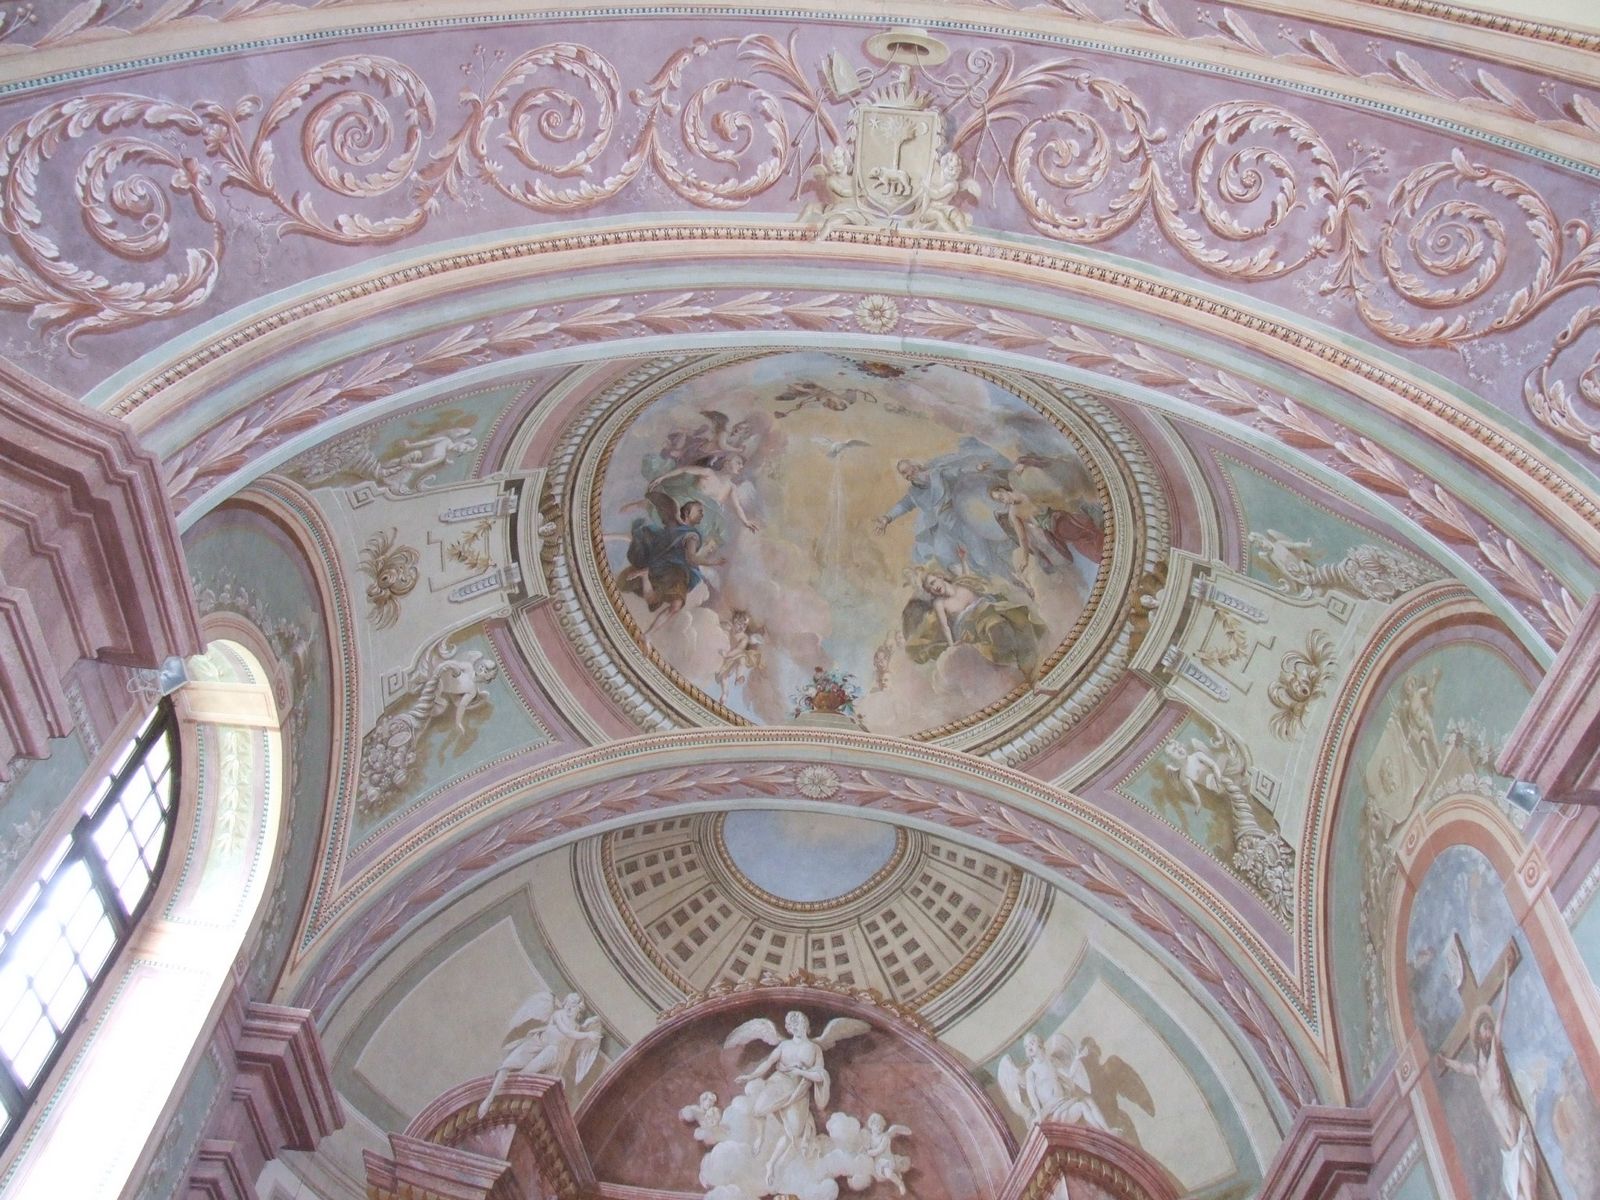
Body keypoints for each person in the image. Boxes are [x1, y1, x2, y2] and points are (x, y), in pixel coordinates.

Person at [1436, 993, 1549, 1200]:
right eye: (1485, 1028)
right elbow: (1460, 1067)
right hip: (1509, 1147)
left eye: (1490, 1028)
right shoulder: (1477, 1071)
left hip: (1518, 1135)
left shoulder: (1495, 1057)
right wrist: (1445, 1062)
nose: (1488, 1032)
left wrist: (1505, 977)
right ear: (1478, 1035)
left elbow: (1502, 1010)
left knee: (1531, 1196)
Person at [618, 494, 722, 632]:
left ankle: (645, 576)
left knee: (653, 599)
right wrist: (713, 562)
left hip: (658, 565)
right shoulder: (692, 536)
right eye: (699, 511)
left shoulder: (674, 523)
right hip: (676, 571)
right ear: (687, 512)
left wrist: (636, 505)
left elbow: (654, 506)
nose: (702, 514)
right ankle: (648, 634)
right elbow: (691, 559)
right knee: (675, 605)